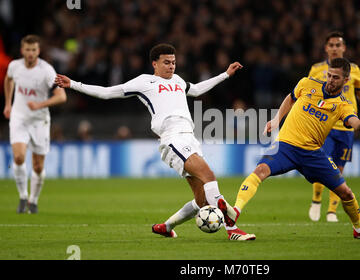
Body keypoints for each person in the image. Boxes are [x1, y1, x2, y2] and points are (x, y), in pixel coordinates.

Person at [55, 43, 255, 241]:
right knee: (209, 175)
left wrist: (225, 74)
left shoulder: (177, 80)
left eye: (174, 62)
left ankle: (166, 227)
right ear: (155, 64)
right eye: (166, 62)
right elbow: (107, 93)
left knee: (202, 199)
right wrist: (73, 84)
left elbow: (195, 89)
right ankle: (232, 229)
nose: (171, 66)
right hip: (172, 138)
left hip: (190, 137)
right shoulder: (144, 82)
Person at [218, 58, 360, 240]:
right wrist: (276, 120)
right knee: (260, 170)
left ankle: (359, 230)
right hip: (286, 146)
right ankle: (235, 211)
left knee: (345, 192)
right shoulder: (308, 83)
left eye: (335, 77)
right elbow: (290, 98)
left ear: (346, 80)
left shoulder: (344, 105)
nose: (330, 80)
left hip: (312, 153)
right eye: (329, 75)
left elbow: (354, 123)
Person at [304, 31, 360, 222]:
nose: (334, 48)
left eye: (338, 45)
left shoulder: (354, 70)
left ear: (344, 48)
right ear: (326, 48)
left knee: (338, 169)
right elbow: (307, 96)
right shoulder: (316, 69)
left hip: (347, 127)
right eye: (331, 45)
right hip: (324, 124)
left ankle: (332, 210)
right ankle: (316, 199)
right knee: (320, 164)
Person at [3, 34, 67, 214]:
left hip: (39, 120)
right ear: (22, 50)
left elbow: (61, 96)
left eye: (34, 50)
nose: (30, 53)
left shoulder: (46, 71)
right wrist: (8, 103)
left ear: (38, 51)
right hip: (19, 117)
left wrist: (39, 104)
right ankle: (23, 196)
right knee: (18, 158)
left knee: (38, 166)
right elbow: (8, 80)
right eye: (27, 50)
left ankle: (34, 200)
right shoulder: (14, 66)